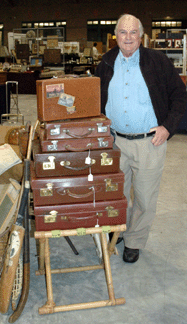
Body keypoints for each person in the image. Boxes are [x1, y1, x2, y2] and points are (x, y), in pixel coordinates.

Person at [95, 14, 187, 263]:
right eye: (123, 32)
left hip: (149, 143)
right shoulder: (105, 62)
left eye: (133, 32)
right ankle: (120, 229)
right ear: (116, 35)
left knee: (145, 198)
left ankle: (134, 241)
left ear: (141, 35)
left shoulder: (157, 61)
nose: (128, 37)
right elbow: (95, 99)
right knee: (117, 194)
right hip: (115, 142)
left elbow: (180, 95)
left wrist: (167, 127)